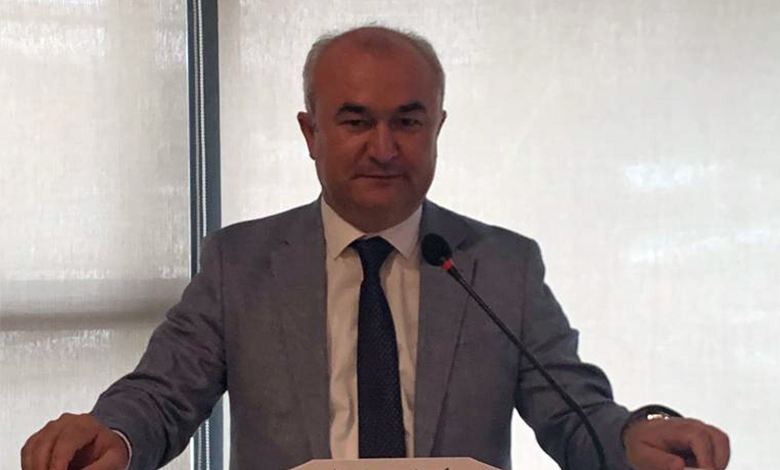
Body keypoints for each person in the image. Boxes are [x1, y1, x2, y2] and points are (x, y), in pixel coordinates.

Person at [21, 26, 730, 470]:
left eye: (408, 123)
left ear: (438, 129)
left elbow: (574, 413)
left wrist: (634, 438)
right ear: (311, 134)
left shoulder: (501, 265)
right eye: (356, 122)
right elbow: (163, 395)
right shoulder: (241, 263)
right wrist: (112, 435)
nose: (384, 149)